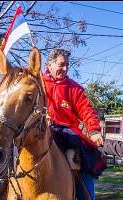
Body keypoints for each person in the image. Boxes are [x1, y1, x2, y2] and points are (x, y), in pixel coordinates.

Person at [42, 48, 106, 200]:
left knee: (86, 158)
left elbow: (87, 110)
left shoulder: (74, 88)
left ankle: (86, 195)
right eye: (61, 65)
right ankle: (1, 187)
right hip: (42, 130)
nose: (65, 69)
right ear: (49, 65)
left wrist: (94, 131)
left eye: (67, 65)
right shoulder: (37, 83)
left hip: (67, 133)